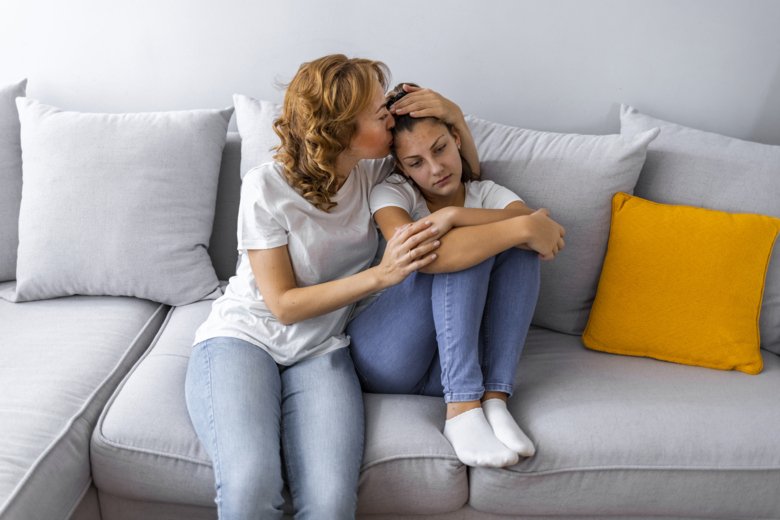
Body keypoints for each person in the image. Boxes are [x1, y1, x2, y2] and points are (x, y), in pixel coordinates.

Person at [184, 57, 480, 519]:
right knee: (250, 485)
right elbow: (282, 304)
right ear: (342, 130)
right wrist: (381, 274)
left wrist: (454, 115)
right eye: (378, 112)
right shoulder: (266, 186)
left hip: (323, 348)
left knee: (330, 503)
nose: (390, 114)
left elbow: (464, 182)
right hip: (243, 339)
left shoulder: (379, 174)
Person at [347, 83, 566, 468]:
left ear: (457, 141)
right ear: (402, 169)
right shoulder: (392, 193)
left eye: (440, 149)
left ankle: (495, 399)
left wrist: (459, 215)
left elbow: (536, 231)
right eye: (415, 163)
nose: (435, 169)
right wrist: (458, 220)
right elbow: (420, 252)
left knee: (516, 250)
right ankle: (463, 408)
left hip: (448, 365)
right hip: (385, 355)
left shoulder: (487, 192)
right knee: (463, 246)